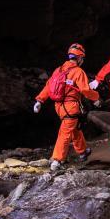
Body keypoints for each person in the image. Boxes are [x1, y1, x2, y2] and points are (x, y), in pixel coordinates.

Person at [33, 43, 100, 171]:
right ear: (80, 58)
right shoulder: (78, 72)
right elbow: (85, 90)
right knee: (64, 133)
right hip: (71, 107)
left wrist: (39, 101)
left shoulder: (58, 70)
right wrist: (96, 98)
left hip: (59, 107)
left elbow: (48, 87)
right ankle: (57, 160)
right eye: (82, 59)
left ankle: (83, 151)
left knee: (73, 128)